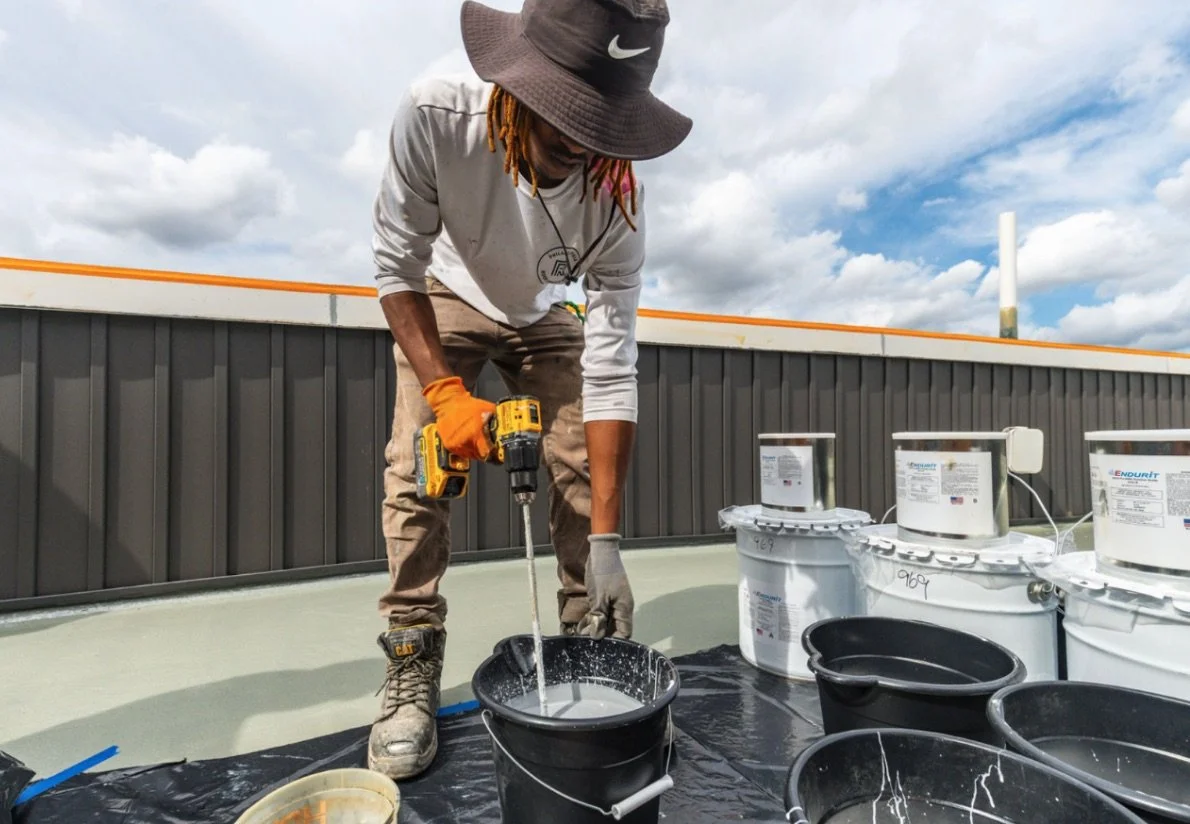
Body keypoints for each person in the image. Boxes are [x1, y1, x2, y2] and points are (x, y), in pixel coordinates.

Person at [365, 0, 692, 781]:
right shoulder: (436, 115)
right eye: (560, 127)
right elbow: (395, 268)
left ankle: (590, 643)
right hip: (445, 294)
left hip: (546, 314)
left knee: (580, 462)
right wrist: (445, 391)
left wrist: (608, 542)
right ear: (516, 86)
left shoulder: (617, 200)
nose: (576, 150)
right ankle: (410, 657)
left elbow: (612, 368)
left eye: (596, 135)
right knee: (416, 470)